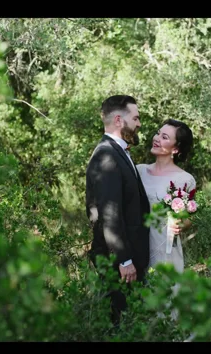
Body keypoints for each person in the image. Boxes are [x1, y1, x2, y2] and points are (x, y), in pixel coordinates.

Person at [85, 95, 151, 327]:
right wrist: (124, 261)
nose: (139, 123)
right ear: (118, 120)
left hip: (128, 258)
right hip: (118, 261)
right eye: (136, 117)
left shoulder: (119, 151)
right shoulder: (107, 155)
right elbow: (109, 214)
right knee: (122, 324)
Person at [136, 119, 195, 275]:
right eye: (158, 133)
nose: (156, 138)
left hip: (165, 252)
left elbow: (188, 219)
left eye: (164, 137)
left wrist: (181, 225)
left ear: (175, 149)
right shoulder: (139, 171)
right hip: (136, 251)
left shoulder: (185, 180)